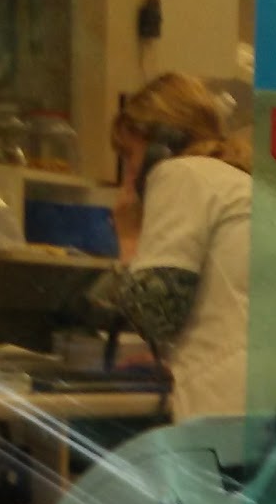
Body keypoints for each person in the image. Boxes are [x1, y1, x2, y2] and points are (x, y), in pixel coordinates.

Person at [83, 73, 252, 422]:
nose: (129, 171)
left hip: (226, 409)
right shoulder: (237, 181)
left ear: (162, 143)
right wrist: (176, 358)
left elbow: (154, 313)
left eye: (129, 154)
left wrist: (129, 238)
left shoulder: (180, 174)